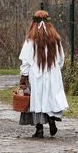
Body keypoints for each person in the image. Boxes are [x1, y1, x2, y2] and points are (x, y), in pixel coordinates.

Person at [18, 10, 69, 138]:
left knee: (37, 99)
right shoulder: (55, 39)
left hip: (36, 74)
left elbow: (26, 60)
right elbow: (61, 59)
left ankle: (39, 129)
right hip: (53, 73)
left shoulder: (31, 40)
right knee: (50, 98)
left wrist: (24, 75)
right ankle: (51, 120)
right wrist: (55, 69)